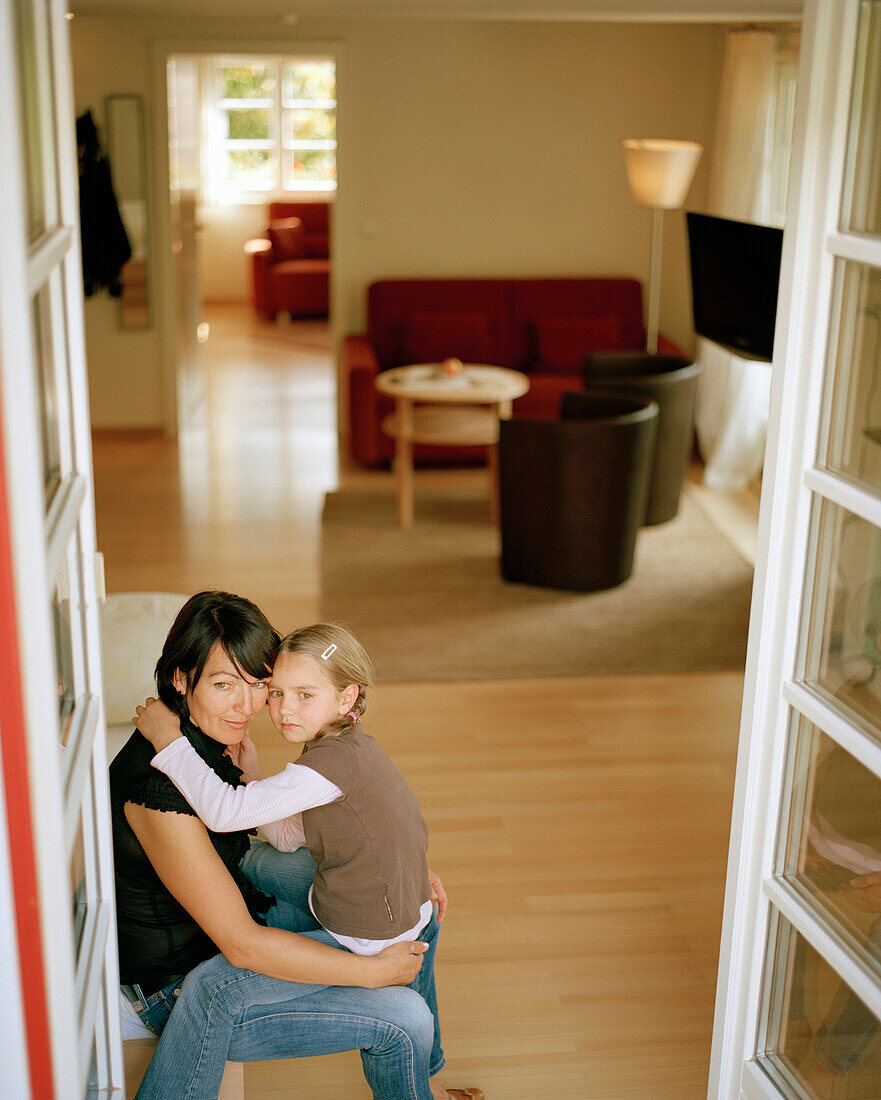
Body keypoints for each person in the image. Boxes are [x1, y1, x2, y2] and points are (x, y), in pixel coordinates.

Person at [111, 591, 480, 1100]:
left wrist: (397, 868)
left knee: (419, 907)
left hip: (230, 902)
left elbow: (287, 825)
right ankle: (417, 1062)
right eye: (224, 685)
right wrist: (372, 972)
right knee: (406, 1019)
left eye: (260, 685)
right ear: (180, 678)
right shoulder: (161, 787)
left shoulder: (219, 738)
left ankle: (425, 1073)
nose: (250, 706)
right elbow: (241, 942)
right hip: (181, 977)